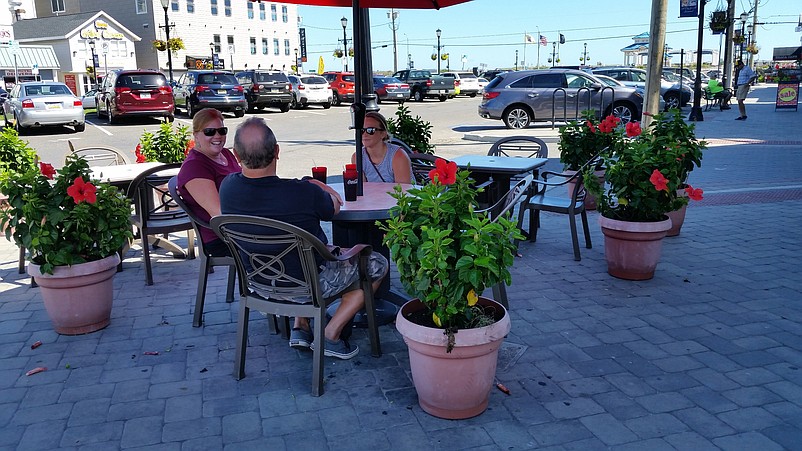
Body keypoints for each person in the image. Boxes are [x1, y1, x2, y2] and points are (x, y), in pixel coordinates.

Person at [220, 117, 388, 360]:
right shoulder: (303, 192)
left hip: (259, 283)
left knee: (305, 252)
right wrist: (322, 188)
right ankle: (331, 334)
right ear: (277, 151)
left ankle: (301, 326)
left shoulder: (228, 188)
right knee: (375, 263)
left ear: (236, 155)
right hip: (309, 286)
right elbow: (334, 210)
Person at [177, 108, 241, 257]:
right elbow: (219, 214)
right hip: (222, 237)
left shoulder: (225, 153)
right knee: (288, 243)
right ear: (196, 136)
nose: (217, 136)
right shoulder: (195, 167)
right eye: (209, 132)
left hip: (240, 223)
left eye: (222, 131)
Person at [352, 111, 413, 184]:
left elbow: (404, 190)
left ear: (383, 134)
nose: (364, 134)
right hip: (372, 195)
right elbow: (362, 188)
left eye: (370, 130)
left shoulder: (398, 156)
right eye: (361, 130)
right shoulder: (357, 157)